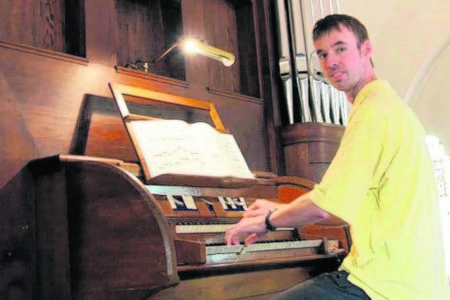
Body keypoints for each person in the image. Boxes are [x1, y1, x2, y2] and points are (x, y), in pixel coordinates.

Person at [225, 14, 450, 299]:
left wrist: (268, 221)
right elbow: (343, 202)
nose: (330, 61)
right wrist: (278, 209)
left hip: (383, 284)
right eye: (322, 54)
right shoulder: (391, 108)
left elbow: (324, 207)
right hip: (418, 284)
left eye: (340, 48)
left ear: (366, 50)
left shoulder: (373, 113)